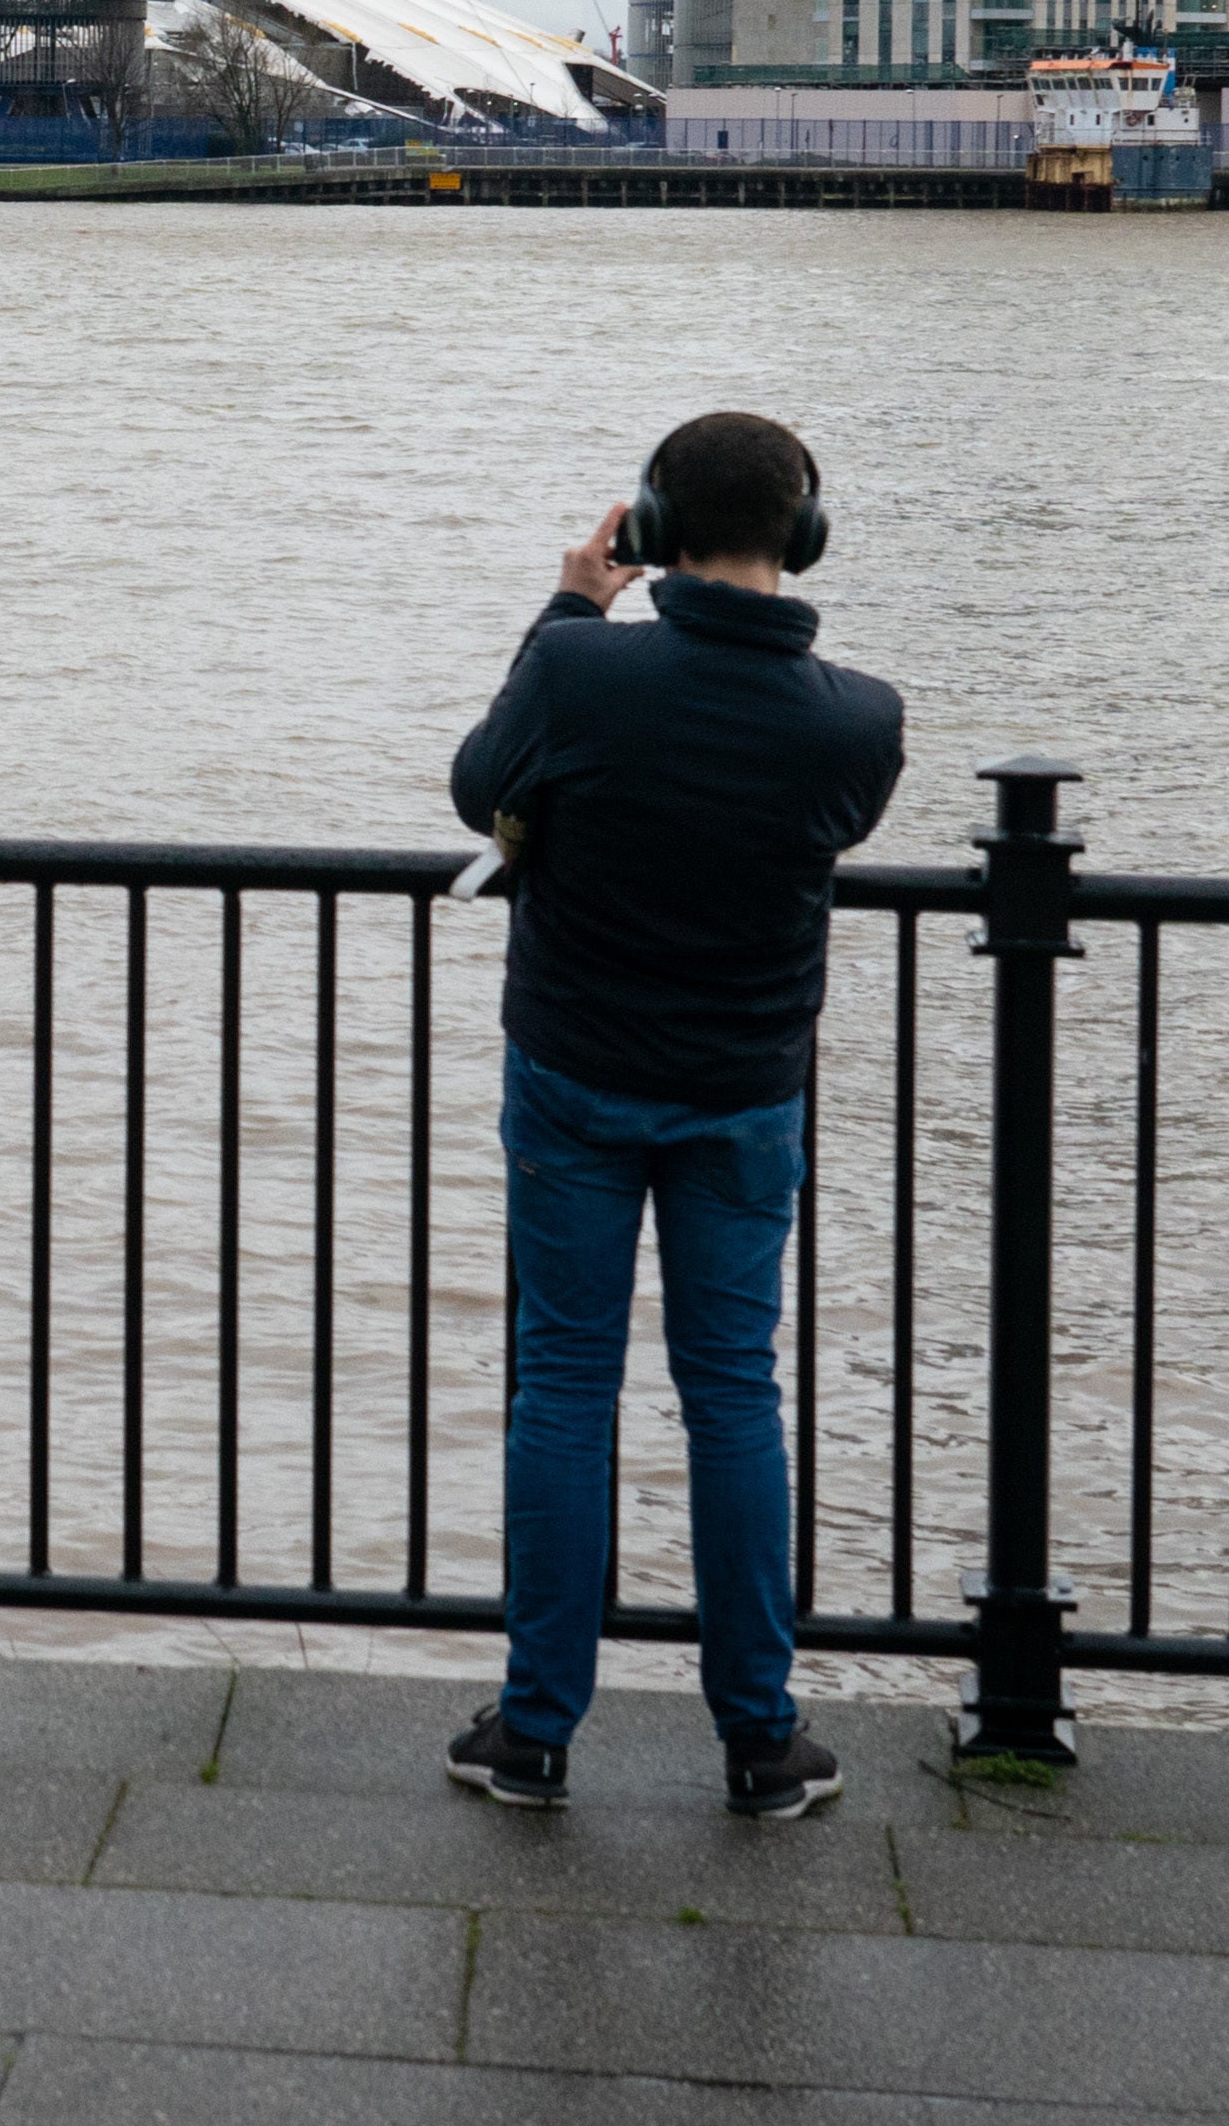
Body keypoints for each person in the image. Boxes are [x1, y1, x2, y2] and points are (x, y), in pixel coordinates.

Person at [440, 410, 905, 1818]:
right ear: (804, 536)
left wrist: (568, 603)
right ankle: (762, 1742)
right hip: (744, 1100)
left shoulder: (585, 672)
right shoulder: (857, 719)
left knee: (566, 1389)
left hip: (575, 1079)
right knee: (734, 1398)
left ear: (650, 525)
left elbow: (479, 789)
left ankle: (534, 1735)